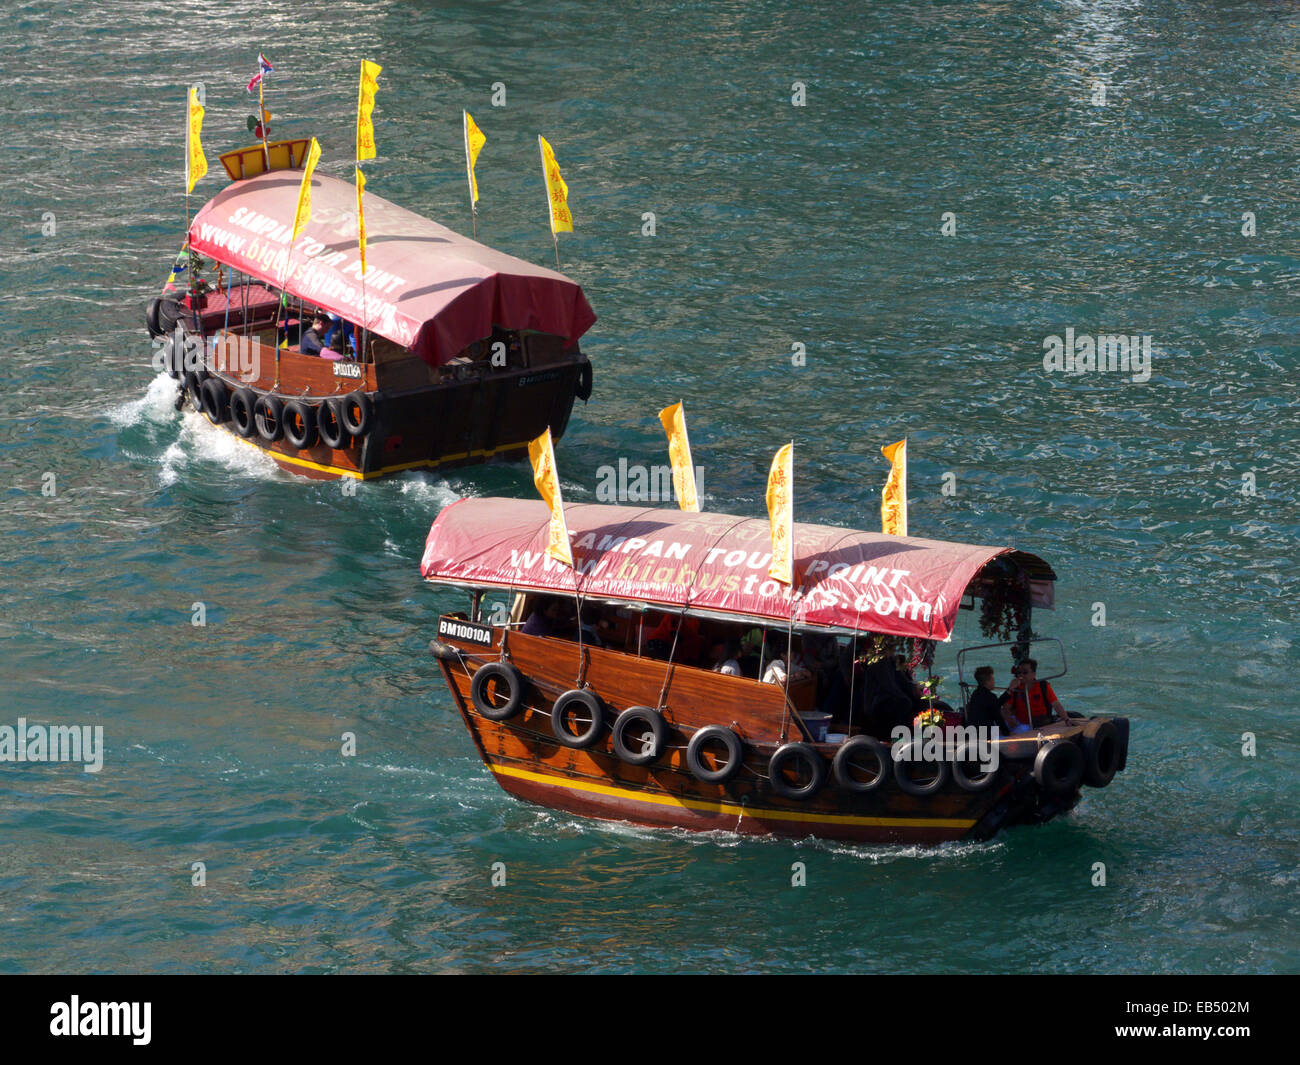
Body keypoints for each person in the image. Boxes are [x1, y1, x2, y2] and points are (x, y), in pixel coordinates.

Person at [1000, 659, 1068, 728]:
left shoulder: (1043, 686)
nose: (1021, 675)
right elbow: (1005, 708)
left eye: (1025, 672)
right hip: (1021, 725)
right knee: (995, 725)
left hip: (1042, 724)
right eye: (1019, 672)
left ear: (1034, 674)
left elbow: (1056, 704)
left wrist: (1067, 719)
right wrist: (1009, 719)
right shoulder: (1014, 689)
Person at [965, 665, 1018, 731]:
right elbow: (998, 718)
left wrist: (1009, 690)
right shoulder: (990, 696)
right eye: (993, 679)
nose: (994, 681)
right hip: (985, 733)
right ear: (987, 682)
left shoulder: (975, 694)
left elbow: (995, 704)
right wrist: (1008, 733)